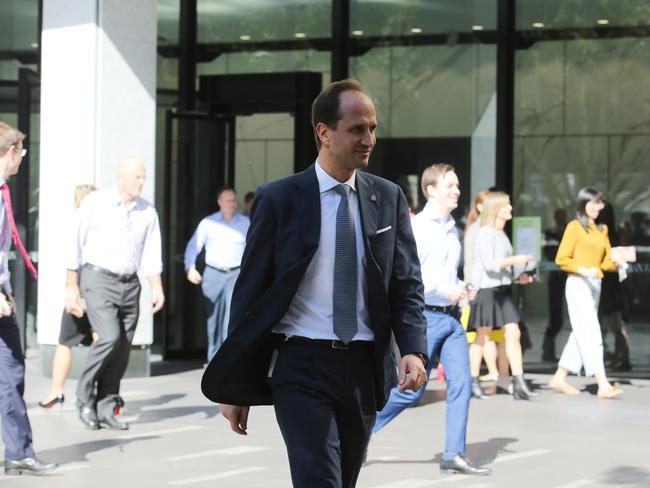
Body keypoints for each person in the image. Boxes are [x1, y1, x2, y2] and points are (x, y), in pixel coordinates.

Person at [201, 79, 428, 488]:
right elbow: (250, 293)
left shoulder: (388, 197)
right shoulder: (280, 199)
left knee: (343, 480)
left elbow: (405, 282)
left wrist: (412, 348)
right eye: (357, 128)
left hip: (363, 366)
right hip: (300, 365)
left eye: (372, 128)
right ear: (324, 132)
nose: (369, 138)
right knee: (317, 481)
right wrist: (236, 385)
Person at [372, 164, 490, 475]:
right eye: (450, 185)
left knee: (462, 384)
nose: (457, 191)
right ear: (431, 190)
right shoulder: (419, 228)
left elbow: (447, 273)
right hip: (426, 317)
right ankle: (360, 432)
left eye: (457, 185)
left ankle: (453, 454)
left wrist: (463, 288)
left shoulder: (453, 229)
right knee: (411, 389)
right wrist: (444, 290)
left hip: (451, 319)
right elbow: (412, 278)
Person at [66, 157, 165, 430]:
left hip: (130, 283)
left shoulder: (147, 211)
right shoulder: (95, 203)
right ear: (121, 176)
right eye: (137, 177)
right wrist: (71, 286)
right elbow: (74, 243)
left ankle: (106, 406)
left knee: (122, 347)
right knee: (108, 337)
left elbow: (151, 253)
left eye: (144, 177)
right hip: (98, 278)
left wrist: (156, 287)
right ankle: (84, 398)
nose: (142, 182)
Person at [0, 122, 58, 475]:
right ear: (10, 152)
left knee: (12, 373)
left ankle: (18, 452)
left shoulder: (3, 190)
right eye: (21, 151)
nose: (22, 158)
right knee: (9, 374)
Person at [549, 188, 623, 399]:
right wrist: (582, 269)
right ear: (584, 203)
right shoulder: (574, 227)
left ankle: (560, 376)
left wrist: (618, 261)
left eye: (601, 204)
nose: (599, 207)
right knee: (591, 330)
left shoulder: (602, 229)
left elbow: (605, 262)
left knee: (581, 331)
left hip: (594, 284)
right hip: (578, 283)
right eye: (595, 203)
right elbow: (561, 258)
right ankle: (603, 383)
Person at [467, 192, 537, 400]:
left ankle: (518, 380)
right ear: (496, 209)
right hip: (487, 291)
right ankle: (473, 380)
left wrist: (519, 277)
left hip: (502, 290)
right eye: (506, 206)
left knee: (513, 333)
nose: (510, 209)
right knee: (483, 336)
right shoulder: (485, 233)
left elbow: (500, 267)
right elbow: (489, 264)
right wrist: (516, 260)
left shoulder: (501, 234)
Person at [40, 184, 97, 409]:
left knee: (68, 342)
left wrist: (71, 292)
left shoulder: (78, 224)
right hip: (91, 291)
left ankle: (59, 391)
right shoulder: (96, 224)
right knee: (99, 340)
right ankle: (88, 392)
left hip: (85, 290)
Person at [184, 187, 249, 362]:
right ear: (219, 202)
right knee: (213, 319)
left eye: (234, 200)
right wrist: (190, 268)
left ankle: (227, 360)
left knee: (232, 317)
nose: (232, 204)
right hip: (213, 274)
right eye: (228, 200)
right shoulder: (208, 223)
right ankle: (213, 358)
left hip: (236, 274)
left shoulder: (245, 223)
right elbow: (193, 247)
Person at [464, 190, 509, 397]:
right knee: (483, 335)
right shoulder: (480, 229)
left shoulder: (496, 231)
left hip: (492, 287)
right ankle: (480, 377)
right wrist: (471, 286)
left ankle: (500, 376)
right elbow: (475, 261)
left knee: (491, 335)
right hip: (480, 286)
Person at [541, 208, 569, 362]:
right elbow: (549, 253)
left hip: (570, 276)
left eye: (562, 215)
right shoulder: (550, 232)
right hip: (556, 277)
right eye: (558, 215)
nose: (560, 218)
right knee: (556, 316)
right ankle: (548, 348)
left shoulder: (571, 231)